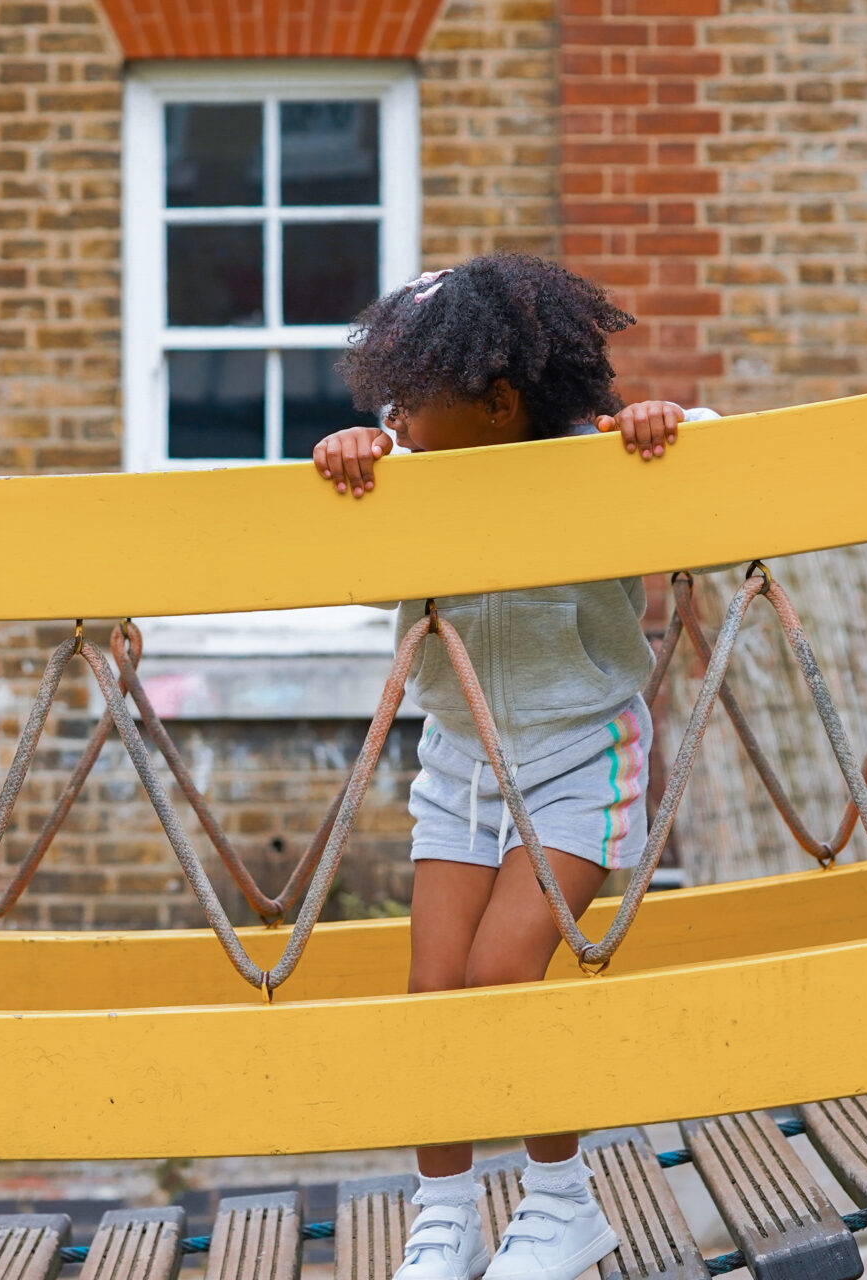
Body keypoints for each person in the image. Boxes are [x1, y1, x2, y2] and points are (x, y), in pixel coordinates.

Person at [310, 253, 718, 1280]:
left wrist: (662, 423)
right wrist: (349, 449)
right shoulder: (404, 477)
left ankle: (560, 1200)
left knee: (503, 972)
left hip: (583, 752)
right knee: (434, 988)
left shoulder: (600, 464)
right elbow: (336, 513)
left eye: (411, 398)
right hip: (460, 761)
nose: (393, 419)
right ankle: (443, 1214)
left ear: (498, 403)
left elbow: (716, 455)